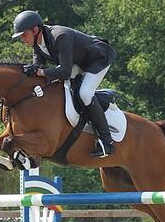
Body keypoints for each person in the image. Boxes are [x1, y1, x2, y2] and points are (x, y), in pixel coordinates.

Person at [11, 10, 117, 158]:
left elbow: (65, 72)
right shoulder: (37, 43)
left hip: (97, 59)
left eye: (23, 34)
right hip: (77, 62)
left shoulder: (60, 36)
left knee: (84, 93)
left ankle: (107, 142)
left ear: (35, 30)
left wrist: (41, 72)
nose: (22, 39)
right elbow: (38, 67)